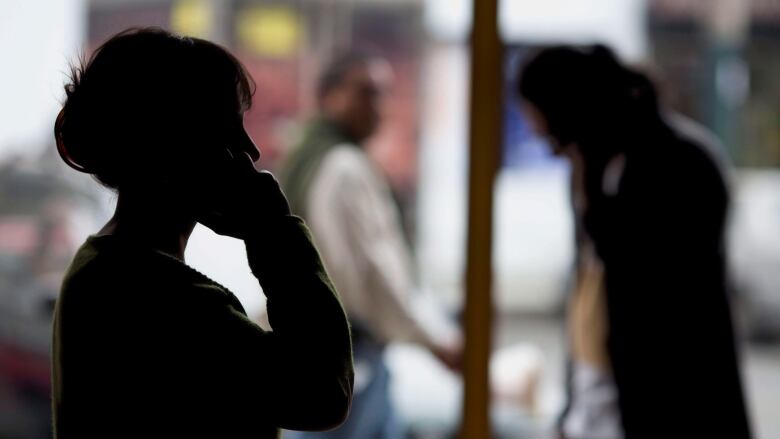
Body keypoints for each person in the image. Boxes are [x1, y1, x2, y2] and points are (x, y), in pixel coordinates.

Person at [51, 28, 353, 438]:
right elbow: (323, 392)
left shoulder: (104, 270)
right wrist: (273, 229)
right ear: (173, 144)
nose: (250, 151)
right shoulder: (158, 298)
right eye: (229, 129)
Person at [517, 45, 752, 439]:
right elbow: (588, 299)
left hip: (673, 410)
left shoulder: (680, 163)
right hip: (597, 407)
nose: (538, 134)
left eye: (542, 121)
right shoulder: (589, 167)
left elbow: (664, 306)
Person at [280, 53, 462, 439]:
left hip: (329, 349)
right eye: (365, 92)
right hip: (347, 352)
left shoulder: (315, 155)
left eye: (383, 94)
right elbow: (369, 274)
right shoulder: (343, 166)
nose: (378, 106)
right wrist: (432, 339)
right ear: (328, 96)